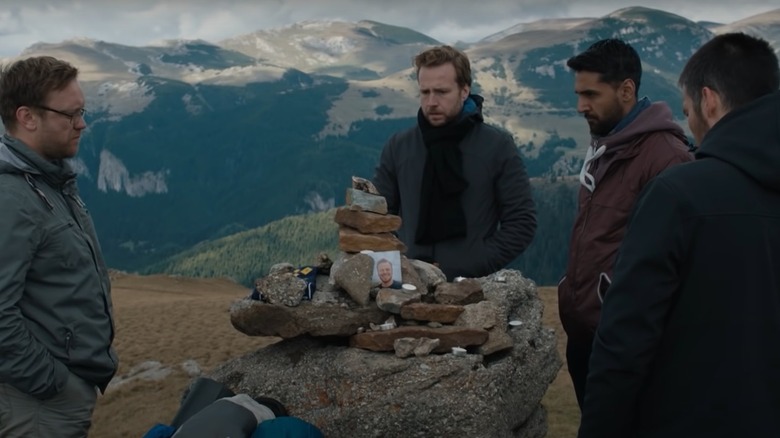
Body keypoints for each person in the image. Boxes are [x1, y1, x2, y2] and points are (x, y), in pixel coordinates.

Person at [579, 33, 780, 437]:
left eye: (687, 111)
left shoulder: (679, 194)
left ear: (709, 101)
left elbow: (626, 339)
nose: (691, 126)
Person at [557, 38, 693, 409]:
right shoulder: (609, 145)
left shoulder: (667, 158)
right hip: (591, 339)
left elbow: (675, 264)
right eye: (578, 94)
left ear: (627, 90)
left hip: (629, 347)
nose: (580, 105)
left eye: (591, 94)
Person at [0, 56, 118, 436]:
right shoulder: (11, 196)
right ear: (27, 117)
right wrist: (53, 383)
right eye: (70, 114)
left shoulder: (47, 180)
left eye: (82, 111)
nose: (81, 124)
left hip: (54, 393)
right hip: (37, 403)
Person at [373, 45, 536, 280]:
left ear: (464, 91)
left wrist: (477, 263)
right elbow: (378, 218)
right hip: (409, 287)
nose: (431, 102)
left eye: (441, 92)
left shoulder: (496, 146)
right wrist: (397, 266)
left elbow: (522, 221)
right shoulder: (399, 146)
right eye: (425, 92)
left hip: (472, 289)